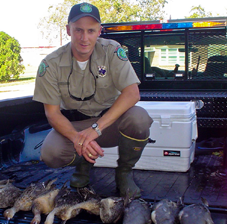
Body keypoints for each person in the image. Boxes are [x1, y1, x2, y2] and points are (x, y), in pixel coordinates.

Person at [33, 2, 153, 198]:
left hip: (109, 124)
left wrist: (95, 129)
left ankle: (124, 173)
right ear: (68, 30)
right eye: (78, 30)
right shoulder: (51, 63)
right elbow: (52, 114)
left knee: (139, 119)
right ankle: (83, 167)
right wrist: (78, 138)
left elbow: (132, 94)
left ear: (99, 31)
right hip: (74, 125)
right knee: (50, 153)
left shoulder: (112, 51)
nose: (84, 37)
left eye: (91, 30)